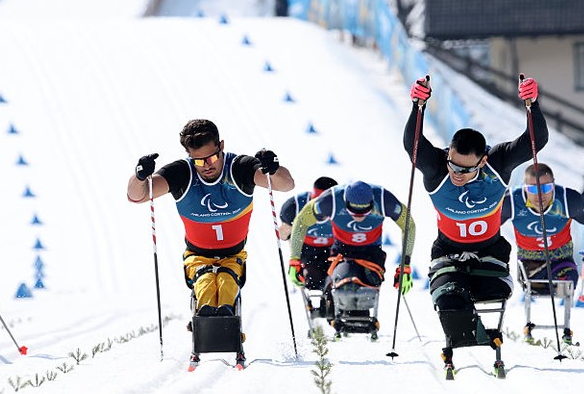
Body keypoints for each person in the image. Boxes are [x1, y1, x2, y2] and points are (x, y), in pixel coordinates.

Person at [404, 76, 548, 374]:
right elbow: (413, 145)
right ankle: (468, 340)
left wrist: (532, 105)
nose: (456, 173)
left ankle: (483, 336)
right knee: (448, 299)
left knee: (495, 295)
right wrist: (418, 106)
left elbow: (535, 142)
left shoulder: (498, 163)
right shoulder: (436, 168)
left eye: (465, 169)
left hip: (491, 252)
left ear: (482, 161)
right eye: (453, 164)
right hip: (448, 252)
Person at [127, 119, 294, 324]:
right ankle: (203, 323)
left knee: (226, 281)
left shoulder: (240, 168)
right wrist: (140, 176)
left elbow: (286, 185)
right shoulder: (182, 173)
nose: (206, 166)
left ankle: (227, 324)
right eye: (198, 161)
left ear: (221, 146)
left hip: (233, 254)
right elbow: (138, 196)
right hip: (197, 255)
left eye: (212, 157)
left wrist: (273, 169)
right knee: (205, 281)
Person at [288, 180, 416, 337]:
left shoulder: (383, 199)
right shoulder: (331, 200)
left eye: (364, 213)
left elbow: (408, 224)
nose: (358, 218)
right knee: (342, 284)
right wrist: (294, 260)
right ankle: (332, 312)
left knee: (369, 285)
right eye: (354, 213)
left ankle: (358, 317)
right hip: (343, 251)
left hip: (371, 252)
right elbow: (301, 221)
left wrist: (405, 265)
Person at [501, 162, 584, 343]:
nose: (540, 195)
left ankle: (566, 329)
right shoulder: (512, 202)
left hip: (561, 261)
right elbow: (489, 226)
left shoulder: (568, 200)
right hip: (529, 265)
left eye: (546, 188)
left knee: (568, 283)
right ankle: (529, 326)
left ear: (554, 185)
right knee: (532, 287)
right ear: (524, 187)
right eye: (532, 189)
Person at [279, 176, 338, 292]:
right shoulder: (294, 206)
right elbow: (283, 235)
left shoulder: (343, 206)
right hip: (308, 250)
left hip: (333, 249)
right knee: (313, 279)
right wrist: (294, 261)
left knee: (338, 278)